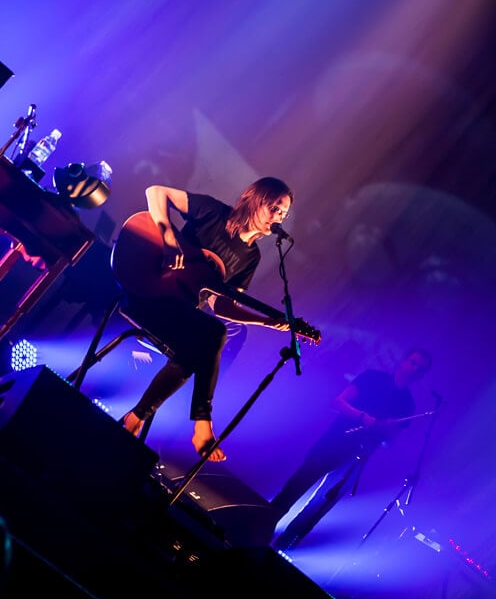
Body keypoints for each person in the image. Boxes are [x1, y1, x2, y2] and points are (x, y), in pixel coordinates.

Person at [119, 177, 293, 462]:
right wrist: (168, 237)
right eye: (274, 207)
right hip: (148, 292)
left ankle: (137, 417)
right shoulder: (214, 212)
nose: (278, 217)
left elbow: (221, 304)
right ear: (255, 200)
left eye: (283, 213)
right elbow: (155, 191)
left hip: (178, 314)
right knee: (211, 336)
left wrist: (266, 322)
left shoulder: (251, 257)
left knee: (201, 346)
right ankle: (200, 423)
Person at [269, 348, 432, 550]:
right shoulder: (374, 378)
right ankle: (262, 525)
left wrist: (388, 431)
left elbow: (389, 443)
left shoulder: (407, 404)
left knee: (321, 503)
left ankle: (286, 544)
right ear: (403, 361)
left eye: (420, 368)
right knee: (297, 485)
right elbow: (338, 401)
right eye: (413, 362)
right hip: (334, 441)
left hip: (357, 457)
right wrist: (363, 417)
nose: (414, 369)